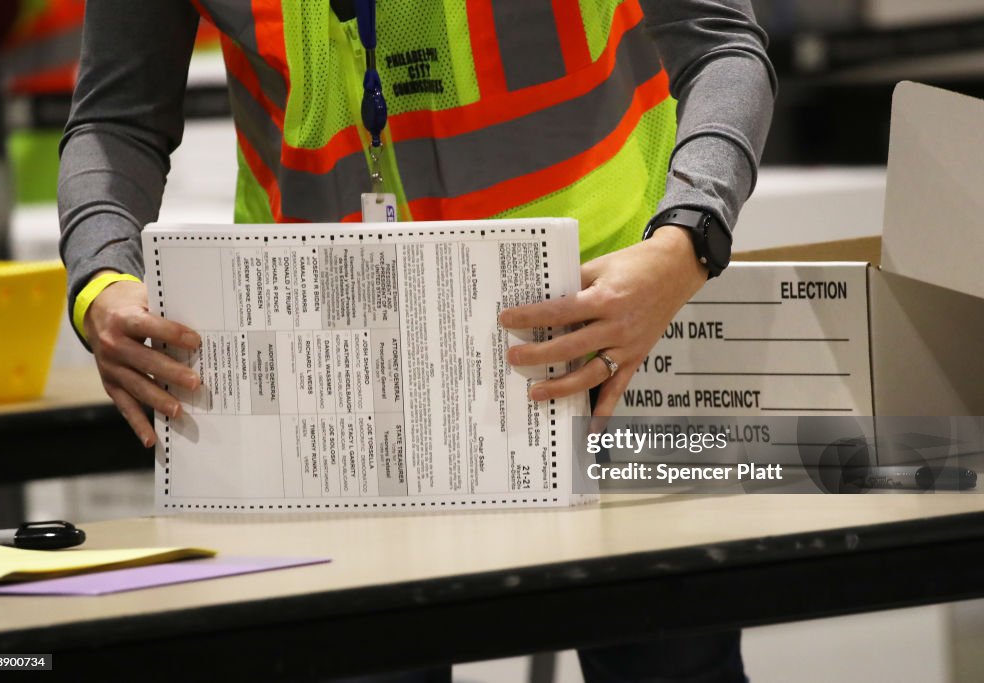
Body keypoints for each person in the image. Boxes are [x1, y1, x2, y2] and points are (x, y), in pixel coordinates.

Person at [58, 1, 775, 681]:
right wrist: (101, 281)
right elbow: (116, 120)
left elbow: (723, 46)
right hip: (329, 382)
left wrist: (687, 239)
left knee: (671, 669)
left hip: (611, 343)